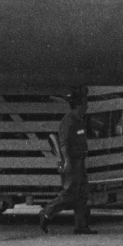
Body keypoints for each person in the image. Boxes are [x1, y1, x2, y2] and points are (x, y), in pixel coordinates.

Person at [41, 89, 95, 235]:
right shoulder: (68, 121)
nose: (87, 107)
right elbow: (64, 144)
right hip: (72, 162)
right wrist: (67, 162)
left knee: (82, 194)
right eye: (85, 104)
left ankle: (81, 226)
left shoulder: (80, 121)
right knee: (70, 193)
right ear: (78, 106)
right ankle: (47, 213)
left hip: (80, 162)